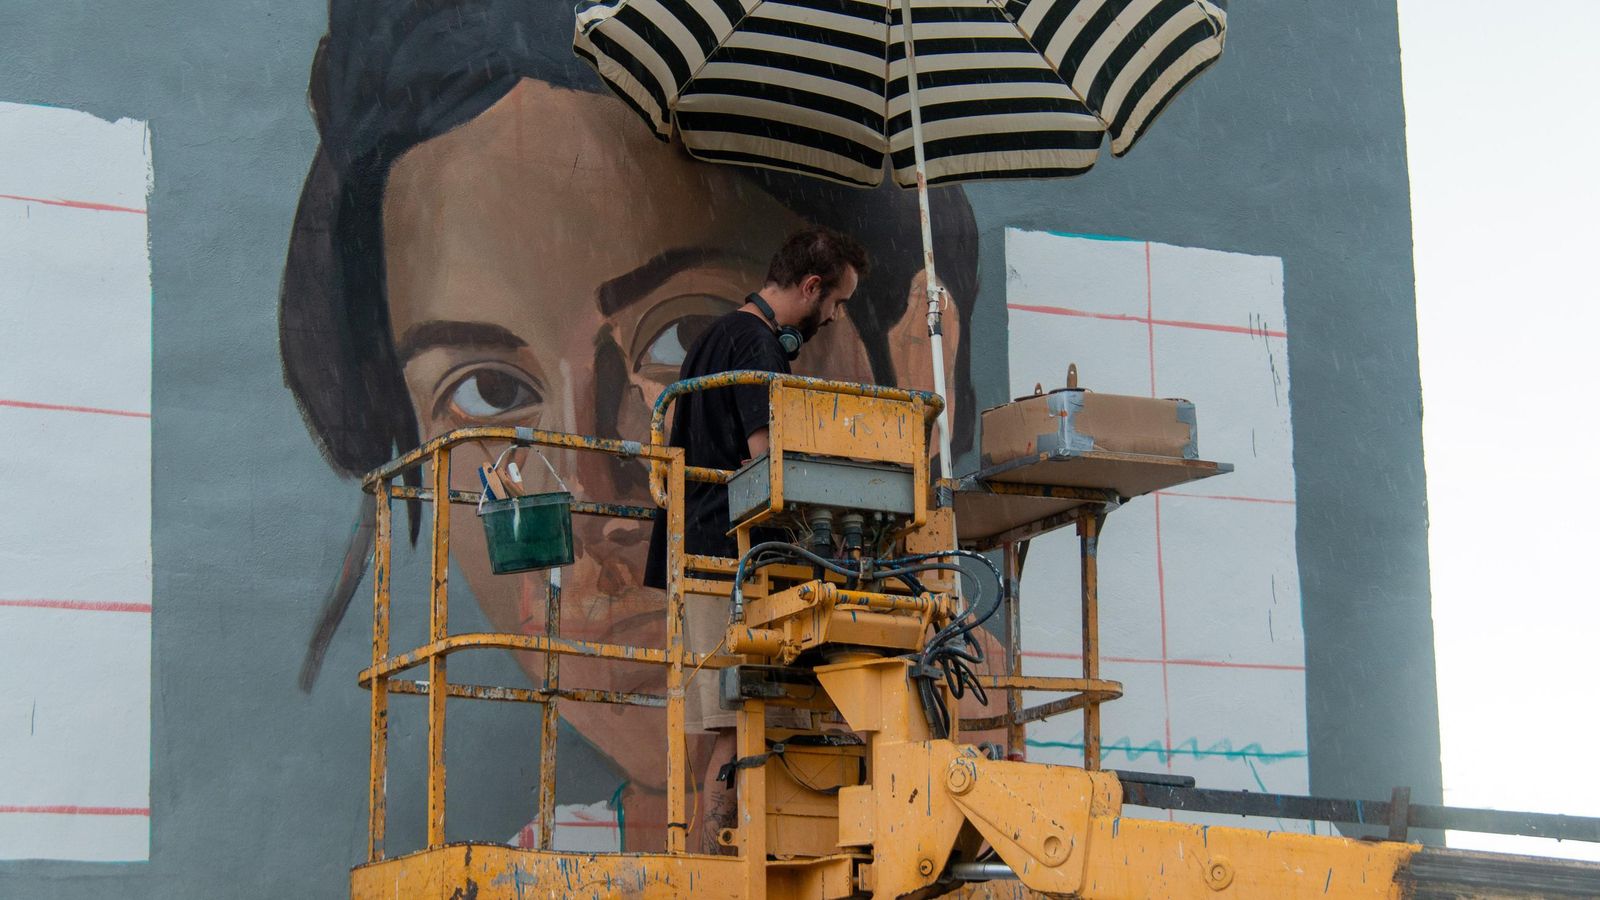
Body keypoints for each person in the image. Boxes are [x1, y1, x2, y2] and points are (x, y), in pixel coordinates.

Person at [279, 0, 991, 853]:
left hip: (713, 567)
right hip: (718, 565)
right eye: (489, 390)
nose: (591, 503)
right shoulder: (749, 344)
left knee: (733, 694)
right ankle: (728, 794)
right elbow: (763, 461)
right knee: (732, 689)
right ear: (809, 288)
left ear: (898, 347)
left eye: (670, 334)